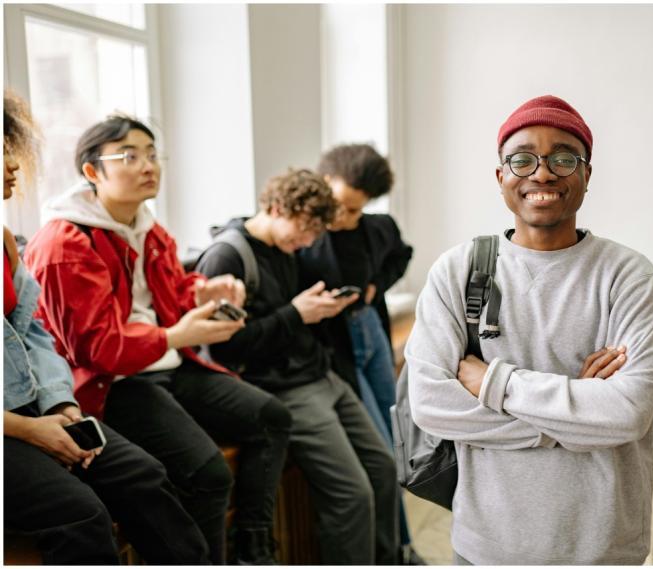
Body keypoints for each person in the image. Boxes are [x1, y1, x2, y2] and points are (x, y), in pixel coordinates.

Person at [405, 95, 653, 565]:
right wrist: (574, 418)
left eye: (564, 158)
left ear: (587, 174)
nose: (542, 174)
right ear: (501, 176)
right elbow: (429, 403)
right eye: (522, 159)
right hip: (487, 544)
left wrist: (492, 383)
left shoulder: (628, 276)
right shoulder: (458, 271)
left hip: (602, 546)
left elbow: (628, 412)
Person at [24, 114, 292, 564]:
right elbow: (98, 350)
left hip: (168, 361)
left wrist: (206, 293)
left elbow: (171, 295)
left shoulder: (149, 227)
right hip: (114, 381)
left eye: (152, 154)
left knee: (272, 417)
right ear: (92, 172)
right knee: (208, 471)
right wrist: (176, 333)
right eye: (129, 155)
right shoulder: (65, 244)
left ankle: (253, 546)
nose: (148, 165)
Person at [3, 90, 209, 564]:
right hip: (11, 425)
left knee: (145, 475)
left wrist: (59, 403)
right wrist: (28, 430)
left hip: (41, 405)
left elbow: (33, 332)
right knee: (81, 515)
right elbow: (99, 346)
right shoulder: (64, 238)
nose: (13, 165)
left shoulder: (4, 242)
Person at [195, 168, 400, 564]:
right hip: (284, 390)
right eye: (303, 230)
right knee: (353, 494)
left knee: (384, 469)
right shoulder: (226, 256)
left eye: (314, 234)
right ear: (274, 207)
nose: (306, 242)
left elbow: (292, 318)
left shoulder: (285, 251)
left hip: (321, 376)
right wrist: (296, 314)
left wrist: (318, 311)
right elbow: (224, 349)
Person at [297, 143, 422, 564]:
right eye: (339, 206)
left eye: (354, 210)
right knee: (384, 452)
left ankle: (401, 547)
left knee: (395, 439)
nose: (343, 218)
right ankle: (397, 551)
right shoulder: (305, 237)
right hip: (338, 351)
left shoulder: (378, 227)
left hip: (372, 334)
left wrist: (375, 287)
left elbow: (401, 257)